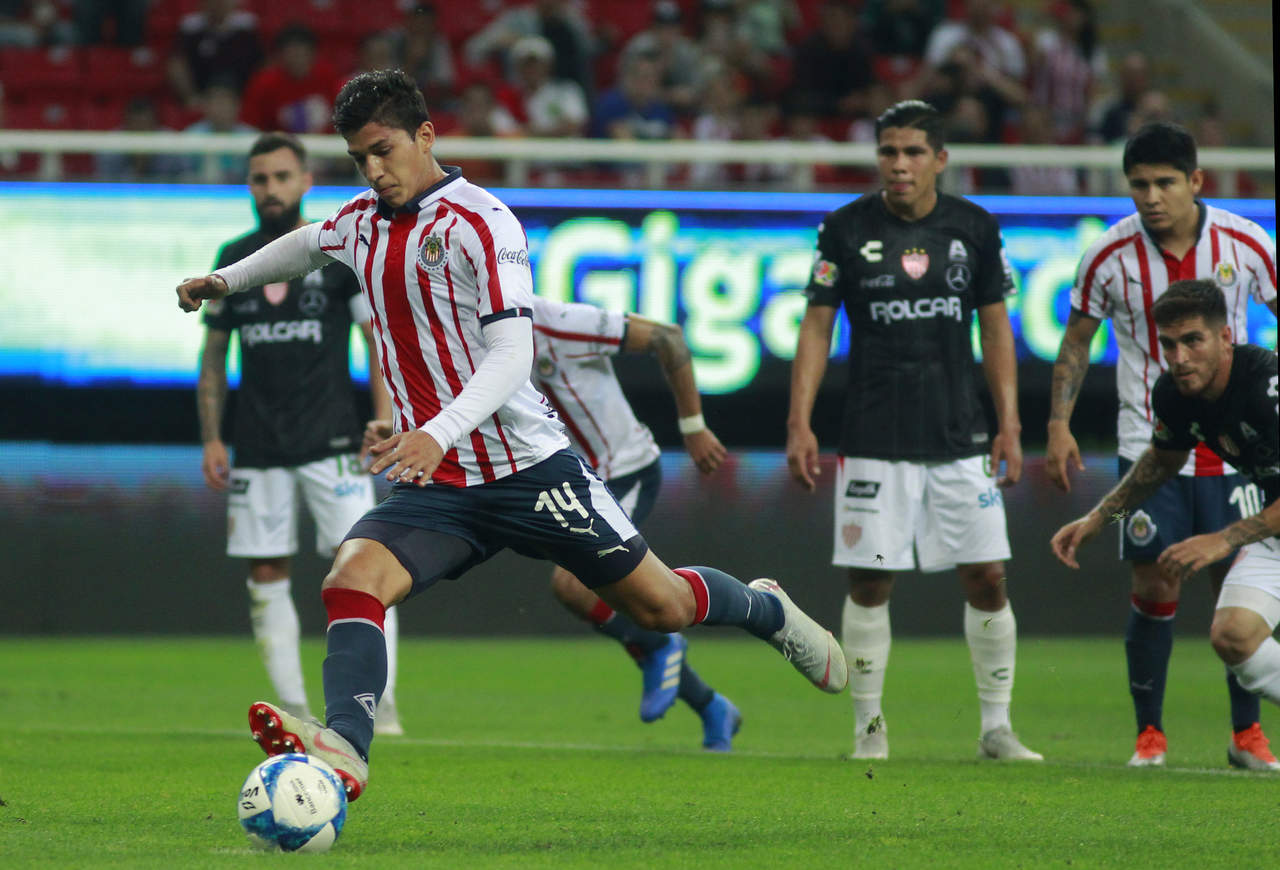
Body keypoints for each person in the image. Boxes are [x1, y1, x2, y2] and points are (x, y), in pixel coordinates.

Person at [176, 70, 848, 803]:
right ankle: (347, 750)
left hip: (529, 469)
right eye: (358, 157)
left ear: (425, 136)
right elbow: (307, 245)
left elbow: (512, 353)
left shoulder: (483, 221)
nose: (372, 170)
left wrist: (436, 430)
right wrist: (224, 281)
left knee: (663, 608)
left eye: (383, 150)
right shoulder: (360, 222)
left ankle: (766, 608)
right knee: (352, 580)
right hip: (442, 483)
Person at [786, 99, 1041, 763]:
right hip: (874, 435)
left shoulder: (975, 227)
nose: (899, 164)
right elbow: (816, 326)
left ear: (940, 159)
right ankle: (868, 730)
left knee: (988, 577)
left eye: (913, 152)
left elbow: (996, 330)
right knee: (870, 582)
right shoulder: (844, 228)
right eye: (888, 151)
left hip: (961, 433)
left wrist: (1010, 424)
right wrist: (799, 421)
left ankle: (996, 728)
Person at [1045, 121, 1278, 769]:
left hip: (1243, 442)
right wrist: (1059, 424)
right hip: (1154, 437)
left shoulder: (1245, 243)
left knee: (1232, 577)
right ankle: (1149, 734)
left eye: (1164, 183)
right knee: (1156, 580)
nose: (1151, 197)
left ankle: (1247, 734)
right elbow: (1076, 341)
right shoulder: (1107, 254)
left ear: (1195, 181)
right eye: (1139, 185)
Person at [196, 132, 401, 736]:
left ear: (306, 181)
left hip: (334, 443)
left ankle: (381, 707)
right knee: (265, 574)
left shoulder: (334, 253)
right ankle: (295, 711)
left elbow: (376, 342)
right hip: (258, 445)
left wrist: (383, 418)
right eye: (260, 179)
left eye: (282, 177)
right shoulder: (233, 258)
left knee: (365, 569)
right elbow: (214, 359)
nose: (271, 189)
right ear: (249, 186)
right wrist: (212, 436)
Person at [1051, 281, 1280, 736]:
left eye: (1193, 340)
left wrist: (1223, 539)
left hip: (1258, 522)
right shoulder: (1174, 396)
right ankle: (1151, 737)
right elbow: (1161, 463)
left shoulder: (1266, 387)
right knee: (1233, 636)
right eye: (1169, 344)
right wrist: (1100, 518)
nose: (1179, 357)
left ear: (1225, 337)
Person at [530, 295, 738, 749]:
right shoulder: (482, 343)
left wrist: (693, 427)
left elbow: (668, 337)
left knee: (573, 584)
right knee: (596, 597)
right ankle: (711, 706)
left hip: (623, 470)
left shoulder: (556, 322)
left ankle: (661, 645)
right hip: (569, 479)